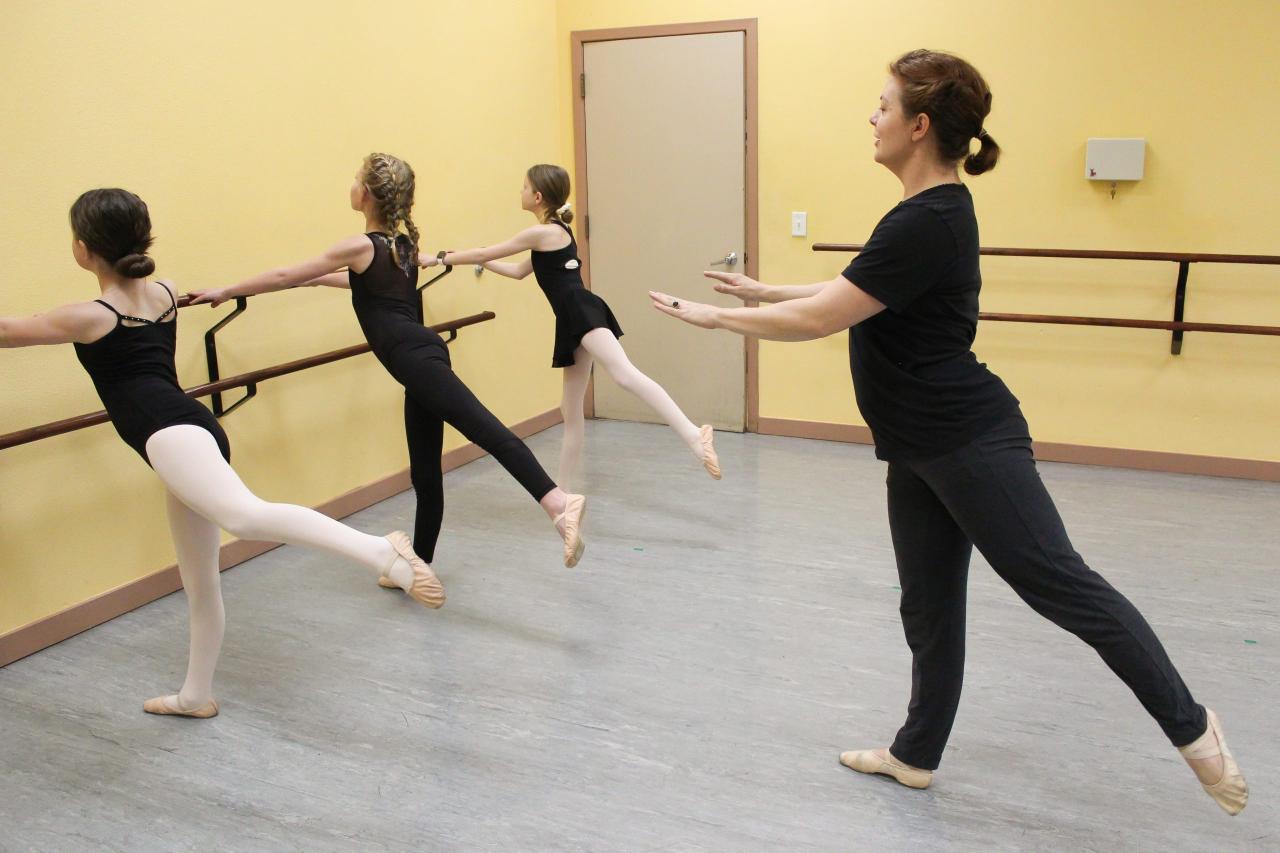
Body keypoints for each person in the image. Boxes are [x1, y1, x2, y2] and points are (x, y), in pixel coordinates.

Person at [647, 50, 1246, 815]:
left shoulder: (928, 218)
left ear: (919, 125)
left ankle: (1194, 726)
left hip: (967, 440)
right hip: (919, 445)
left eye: (884, 105)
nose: (872, 117)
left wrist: (717, 317)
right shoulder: (924, 214)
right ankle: (915, 754)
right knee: (928, 606)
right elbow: (857, 288)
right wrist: (763, 289)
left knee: (1058, 583)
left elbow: (826, 316)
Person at [0, 188, 441, 719]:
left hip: (171, 438)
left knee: (245, 517)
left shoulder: (88, 316)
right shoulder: (164, 292)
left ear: (82, 249)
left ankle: (383, 551)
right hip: (193, 432)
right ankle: (195, 696)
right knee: (201, 582)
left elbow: (6, 331)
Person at [189, 153, 588, 571]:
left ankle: (558, 503)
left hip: (414, 357)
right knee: (425, 474)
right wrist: (318, 278)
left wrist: (227, 291)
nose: (351, 185)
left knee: (484, 428)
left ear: (365, 193)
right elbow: (367, 286)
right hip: (420, 355)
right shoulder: (400, 247)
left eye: (354, 178)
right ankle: (419, 568)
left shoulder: (360, 246)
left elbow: (283, 275)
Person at [423, 164, 720, 489]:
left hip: (580, 312)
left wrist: (439, 258)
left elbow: (485, 250)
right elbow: (518, 271)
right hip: (571, 318)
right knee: (570, 409)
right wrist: (477, 261)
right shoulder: (553, 233)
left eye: (524, 187)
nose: (520, 191)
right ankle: (563, 495)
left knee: (624, 375)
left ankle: (694, 435)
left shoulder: (544, 233)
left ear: (538, 196)